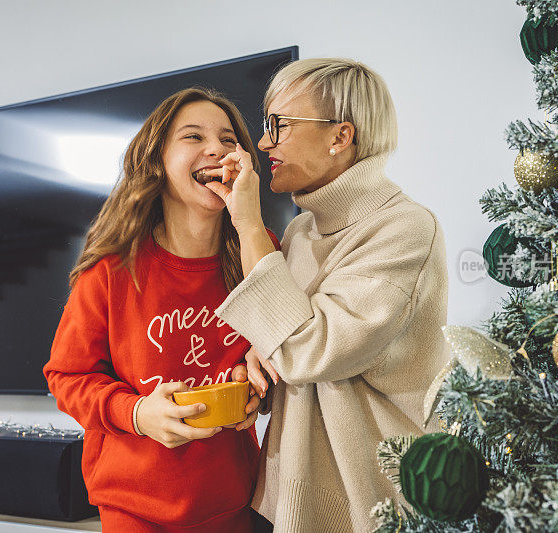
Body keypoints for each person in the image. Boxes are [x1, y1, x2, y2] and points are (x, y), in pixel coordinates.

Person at [204, 59, 451, 532]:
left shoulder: (405, 229)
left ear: (340, 137)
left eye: (279, 126)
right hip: (287, 496)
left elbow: (311, 349)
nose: (262, 143)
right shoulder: (300, 230)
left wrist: (249, 223)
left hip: (369, 505)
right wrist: (260, 357)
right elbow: (292, 346)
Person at [43, 87, 280, 532]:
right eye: (193, 137)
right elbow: (65, 377)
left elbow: (295, 351)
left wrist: (261, 386)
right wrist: (136, 414)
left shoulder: (263, 253)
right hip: (133, 511)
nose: (217, 148)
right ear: (156, 161)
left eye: (229, 140)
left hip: (236, 503)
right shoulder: (111, 271)